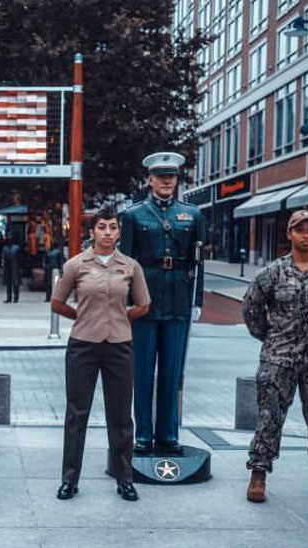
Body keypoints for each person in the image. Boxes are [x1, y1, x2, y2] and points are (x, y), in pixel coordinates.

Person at [241, 210, 308, 503]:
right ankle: (258, 475)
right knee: (269, 418)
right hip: (279, 358)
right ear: (289, 234)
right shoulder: (272, 273)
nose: (305, 236)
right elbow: (251, 310)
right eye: (299, 230)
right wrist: (271, 338)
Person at [51, 206, 150, 502]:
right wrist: (82, 317)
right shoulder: (76, 265)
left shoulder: (131, 266)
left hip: (119, 345)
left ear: (119, 232)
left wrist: (120, 319)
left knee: (121, 416)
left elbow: (143, 305)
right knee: (76, 414)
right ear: (92, 231)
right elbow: (57, 303)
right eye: (102, 227)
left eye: (113, 227)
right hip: (83, 345)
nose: (107, 233)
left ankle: (125, 479)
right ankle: (69, 480)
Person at [119, 152, 205, 456]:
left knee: (172, 371)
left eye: (171, 176)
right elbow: (125, 263)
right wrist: (124, 303)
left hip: (179, 299)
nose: (167, 181)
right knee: (142, 372)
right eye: (161, 176)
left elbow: (198, 264)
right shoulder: (133, 215)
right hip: (144, 299)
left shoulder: (193, 215)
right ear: (150, 180)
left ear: (177, 180)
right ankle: (143, 434)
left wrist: (197, 300)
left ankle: (168, 434)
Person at [1, 238, 22, 303]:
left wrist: (20, 266)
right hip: (7, 267)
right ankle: (9, 298)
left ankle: (16, 298)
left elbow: (20, 257)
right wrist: (3, 264)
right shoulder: (5, 249)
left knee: (15, 283)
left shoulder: (16, 248)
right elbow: (3, 257)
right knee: (8, 283)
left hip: (15, 267)